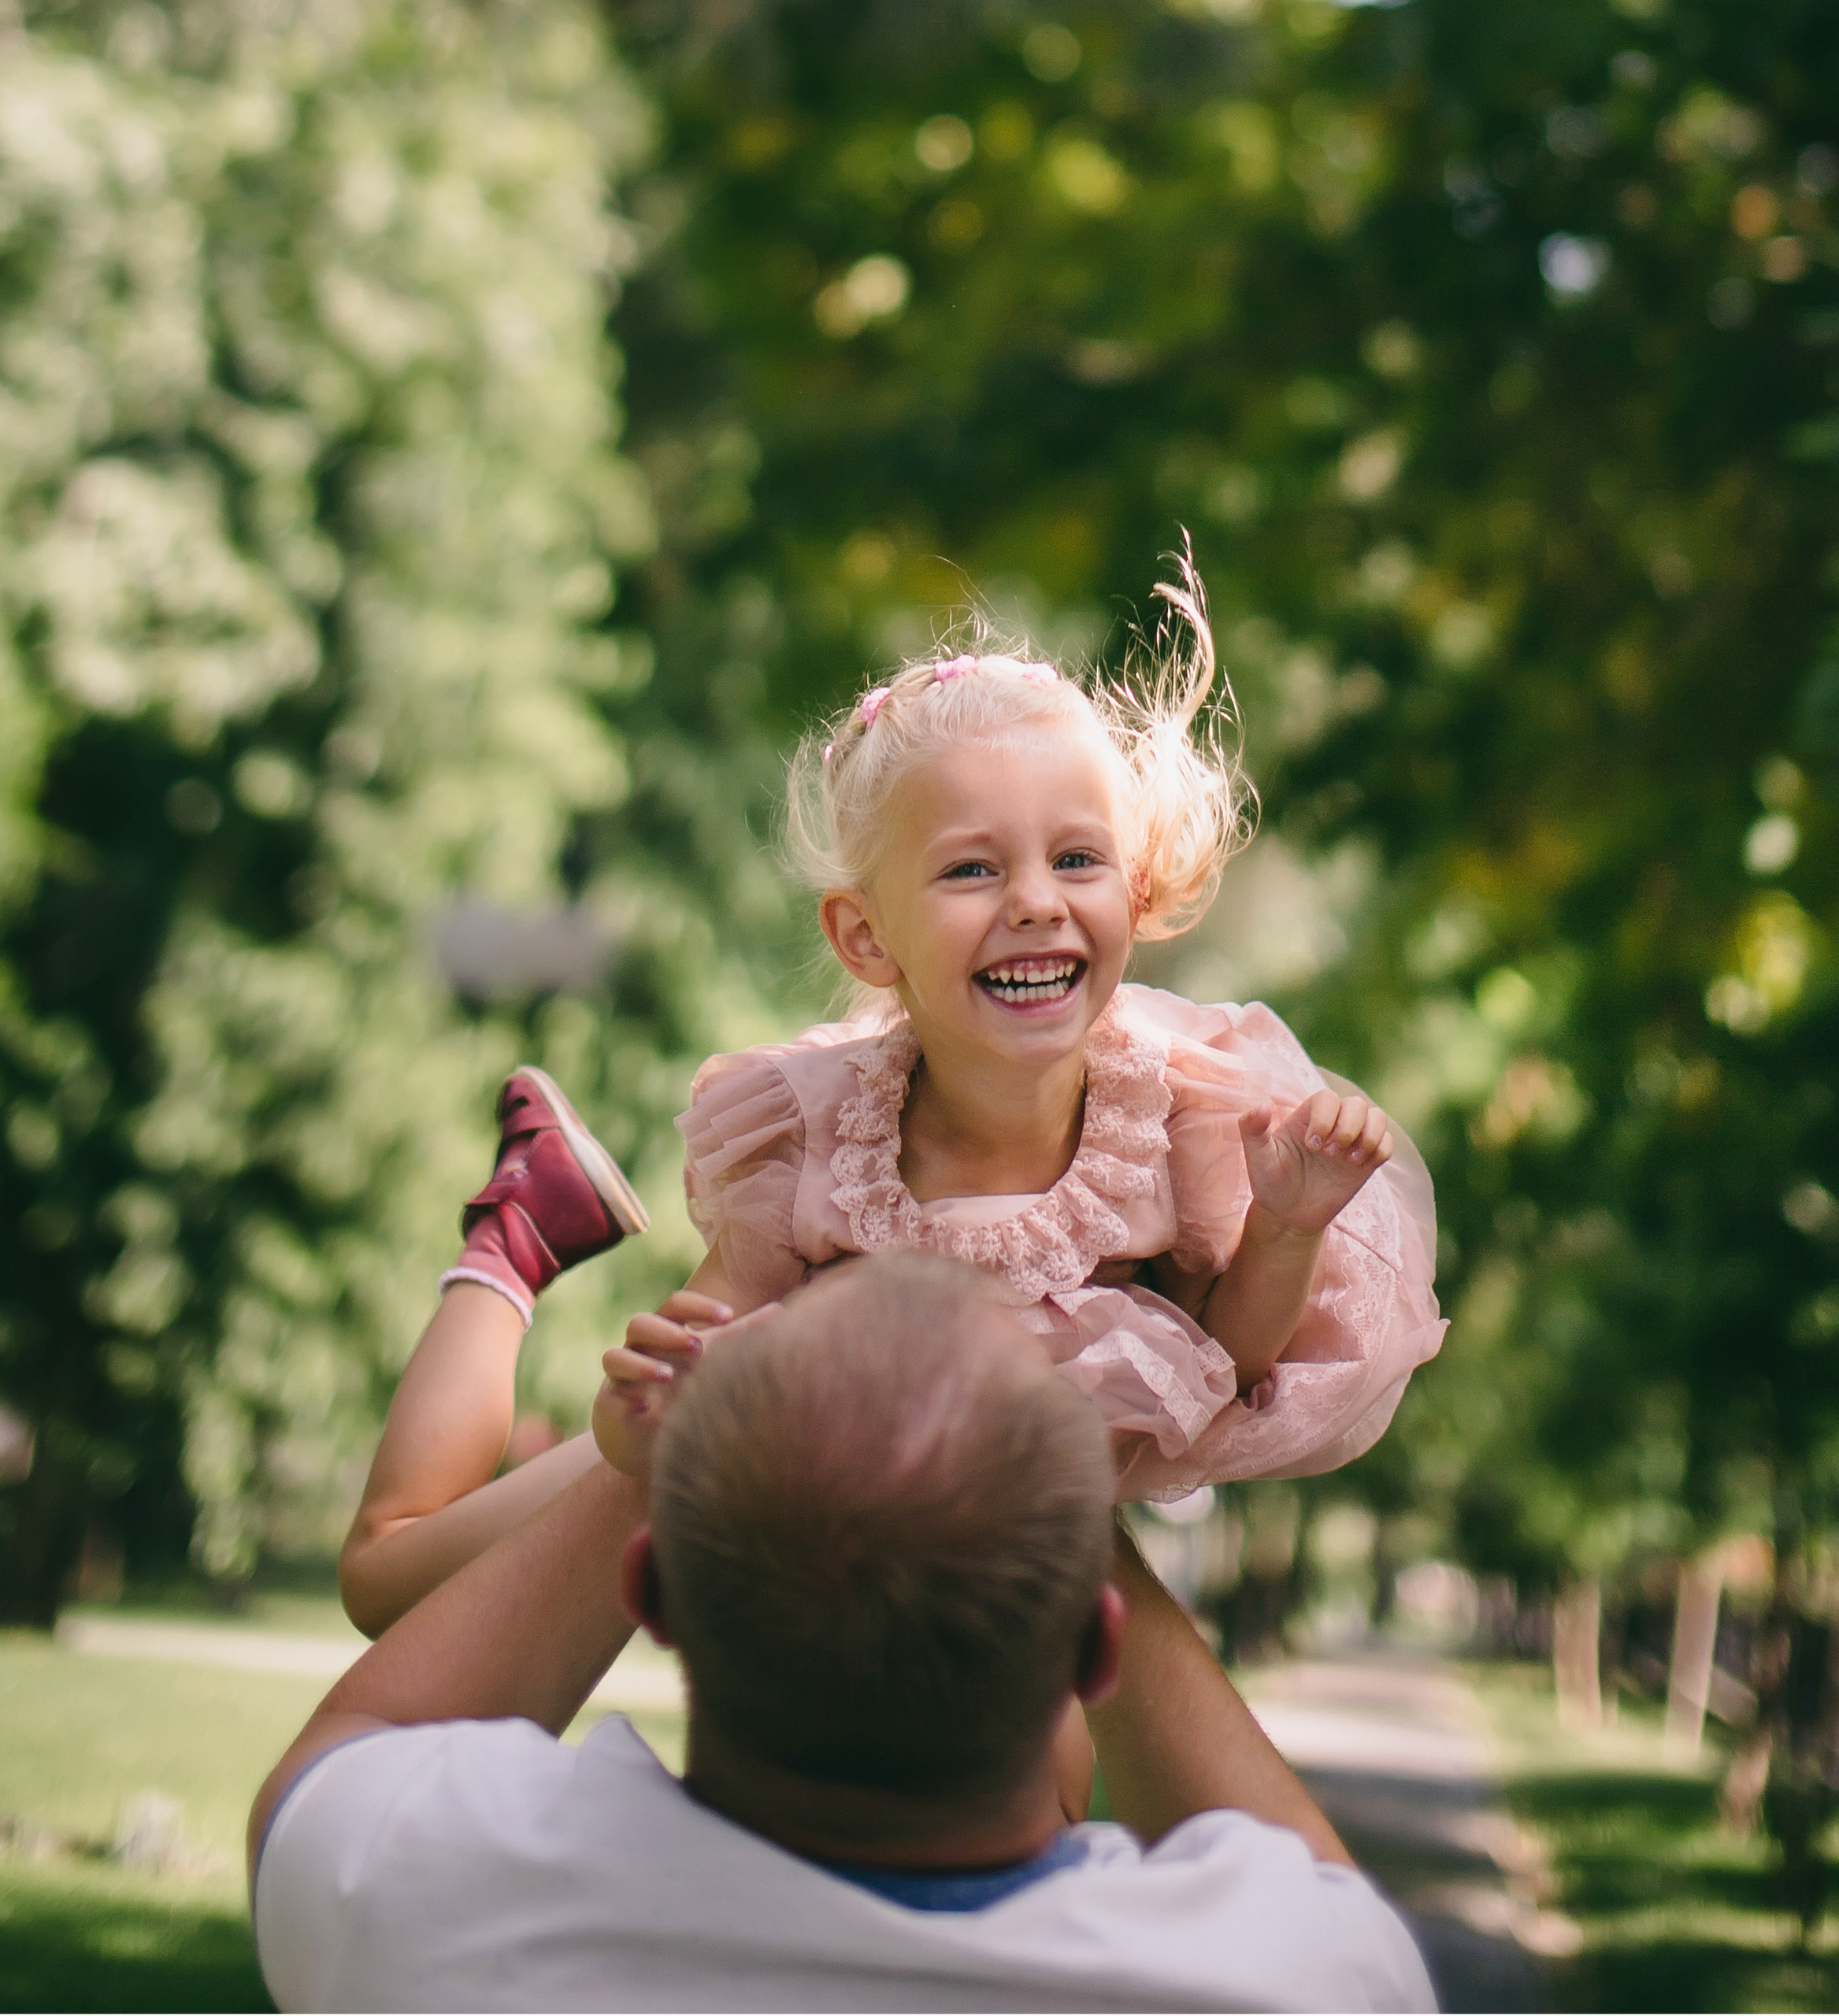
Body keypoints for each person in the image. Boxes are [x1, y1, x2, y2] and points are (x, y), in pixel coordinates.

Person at [339, 559, 1445, 1644]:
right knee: (391, 1585)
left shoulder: (1182, 1117)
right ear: (868, 937)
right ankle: (515, 1238)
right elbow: (692, 1358)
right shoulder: (819, 1142)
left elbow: (1227, 1365)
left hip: (943, 1548)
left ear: (1135, 888)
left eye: (1076, 860)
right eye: (971, 871)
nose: (1032, 904)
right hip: (802, 1464)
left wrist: (1290, 1224)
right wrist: (643, 1421)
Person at [254, 1254, 1434, 2012]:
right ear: (1094, 1651)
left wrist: (670, 1449)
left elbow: (350, 1743)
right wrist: (1058, 1480)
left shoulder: (440, 1910)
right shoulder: (1275, 1983)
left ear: (650, 1598)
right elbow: (1321, 1886)